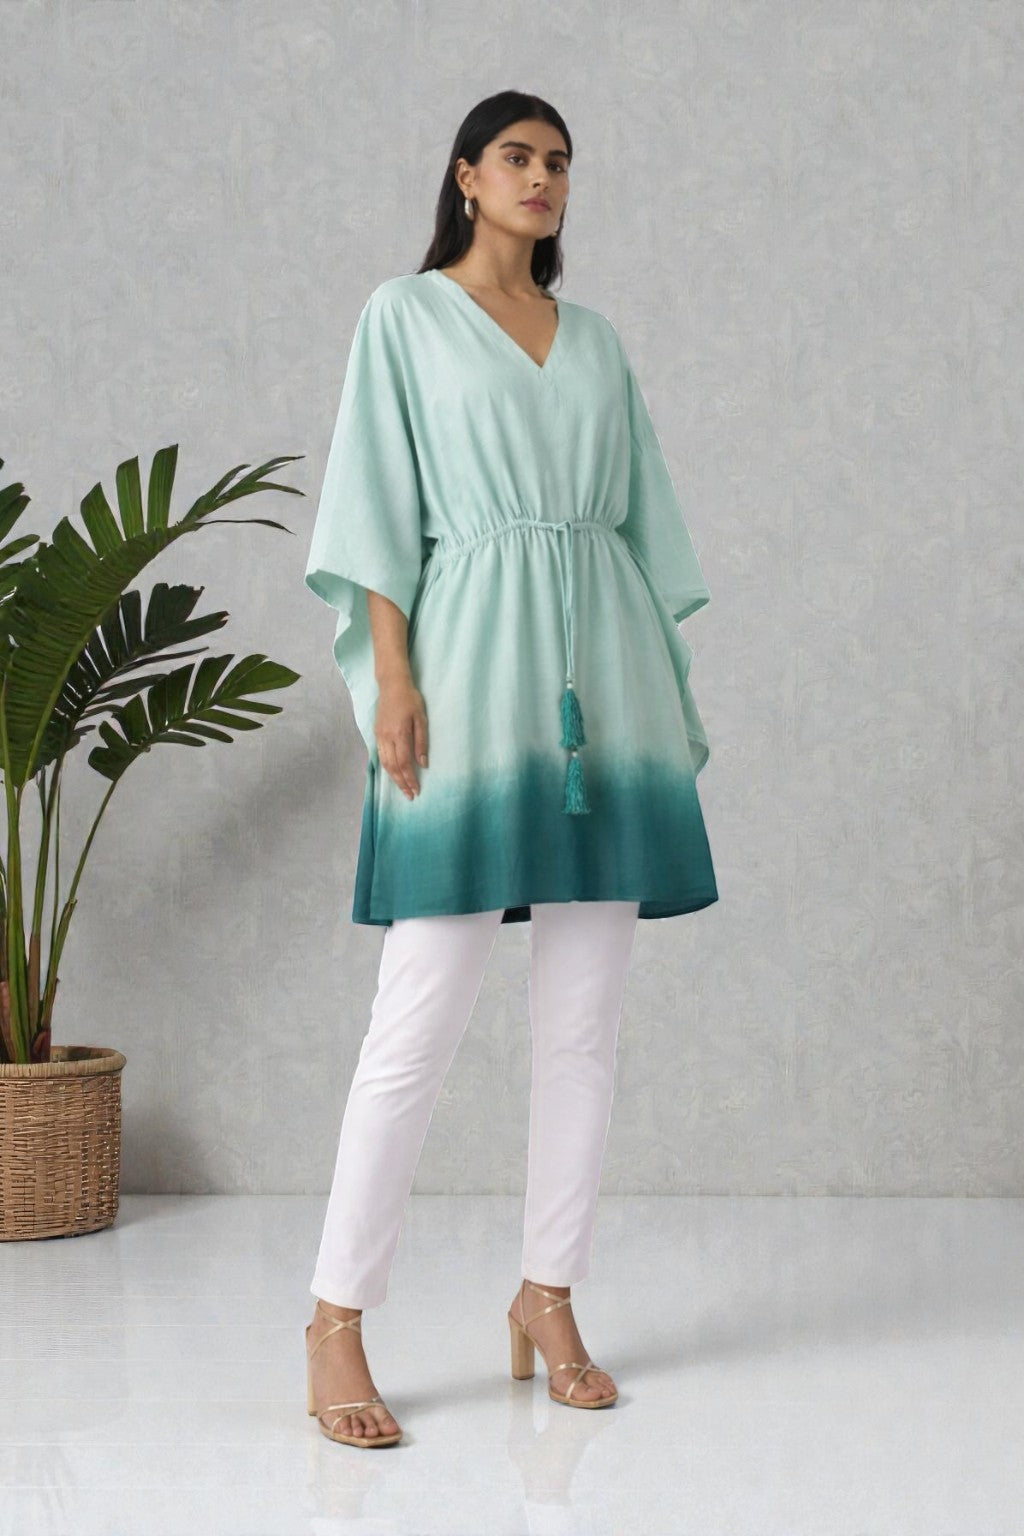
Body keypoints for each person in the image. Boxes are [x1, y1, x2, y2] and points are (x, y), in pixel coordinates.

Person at [302, 90, 718, 1449]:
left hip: (606, 683)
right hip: (468, 677)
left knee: (585, 1023)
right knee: (417, 1016)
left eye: (561, 163)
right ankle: (335, 1318)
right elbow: (376, 503)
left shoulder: (594, 339)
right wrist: (394, 678)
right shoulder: (404, 317)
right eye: (519, 158)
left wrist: (653, 685)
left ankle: (549, 1293)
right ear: (467, 177)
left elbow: (641, 525)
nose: (543, 178)